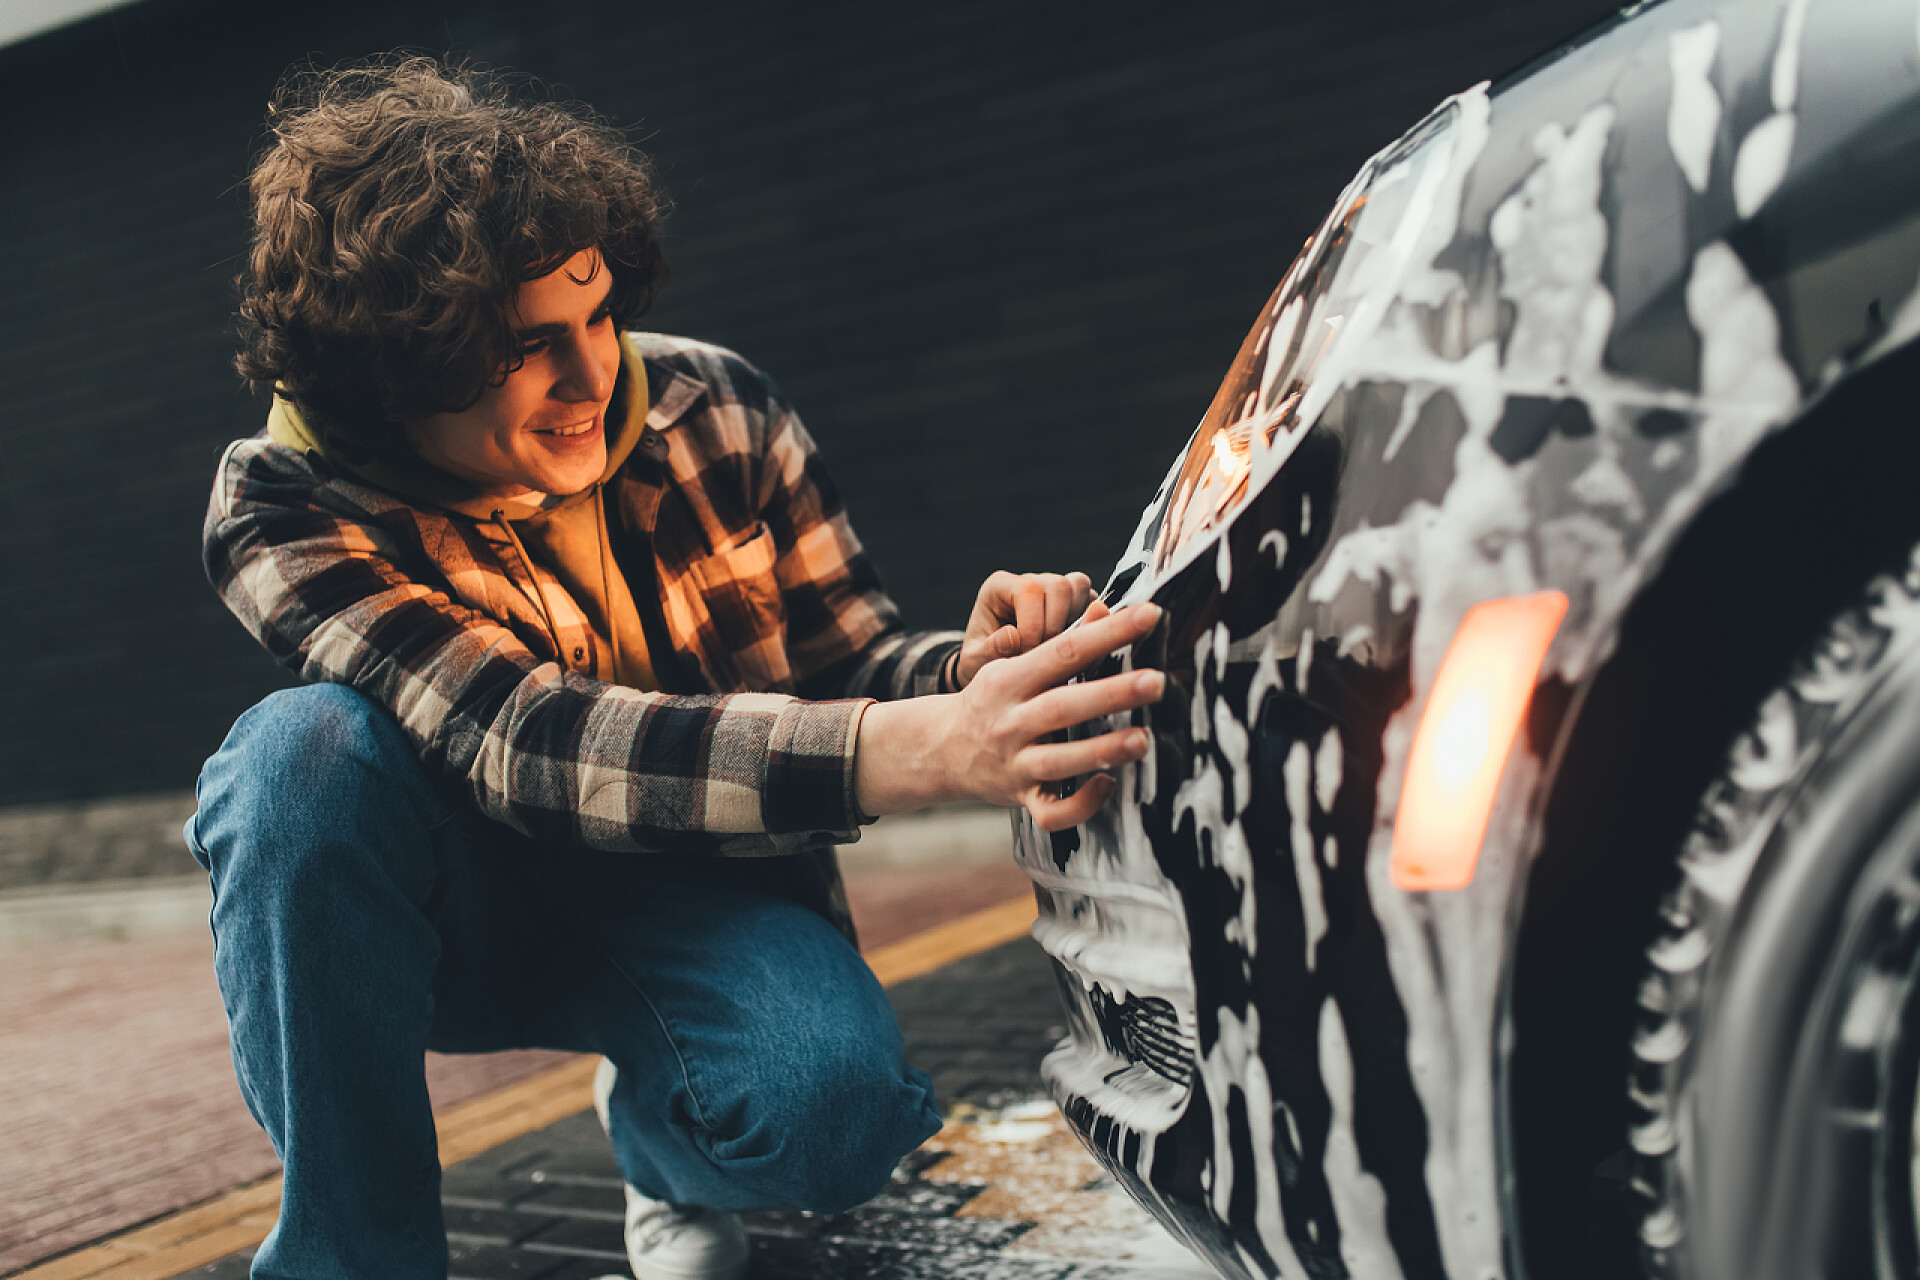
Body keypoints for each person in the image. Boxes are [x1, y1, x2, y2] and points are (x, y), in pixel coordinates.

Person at [186, 56, 1164, 1280]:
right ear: (399, 361)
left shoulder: (721, 408)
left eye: (598, 316)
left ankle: (659, 1136)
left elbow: (848, 657)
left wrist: (974, 677)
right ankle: (354, 1255)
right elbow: (522, 737)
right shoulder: (283, 497)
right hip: (450, 906)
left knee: (838, 1114)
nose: (592, 375)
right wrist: (926, 751)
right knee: (298, 755)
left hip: (694, 885)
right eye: (524, 345)